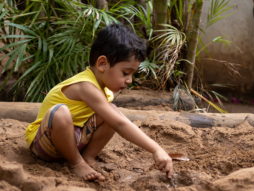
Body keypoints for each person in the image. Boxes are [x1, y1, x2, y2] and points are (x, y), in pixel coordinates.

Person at [25, 24, 173, 182]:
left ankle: (87, 158)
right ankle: (77, 163)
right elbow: (120, 124)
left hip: (73, 141)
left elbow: (115, 120)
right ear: (102, 64)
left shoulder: (104, 91)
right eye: (125, 73)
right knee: (61, 113)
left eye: (131, 74)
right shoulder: (85, 86)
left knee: (112, 111)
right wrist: (156, 149)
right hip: (45, 143)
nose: (129, 80)